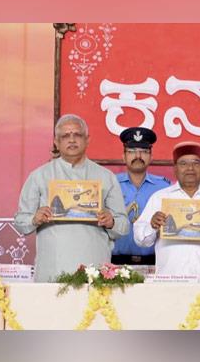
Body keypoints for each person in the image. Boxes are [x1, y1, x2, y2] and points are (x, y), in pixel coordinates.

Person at [14, 115, 129, 281]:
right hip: (52, 268)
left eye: (78, 135)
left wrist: (111, 222)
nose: (72, 140)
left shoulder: (106, 177)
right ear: (56, 141)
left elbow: (123, 226)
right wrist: (35, 218)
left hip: (94, 271)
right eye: (65, 136)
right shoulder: (39, 176)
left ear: (87, 139)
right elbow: (20, 222)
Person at [134, 142, 200, 285]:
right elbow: (140, 239)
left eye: (196, 163)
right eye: (183, 163)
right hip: (168, 283)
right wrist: (152, 226)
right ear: (175, 168)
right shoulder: (159, 198)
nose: (190, 168)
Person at [111, 126, 170, 265]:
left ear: (151, 157)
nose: (138, 156)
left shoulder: (164, 188)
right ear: (123, 156)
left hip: (154, 262)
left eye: (143, 151)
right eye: (132, 151)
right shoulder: (111, 185)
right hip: (115, 263)